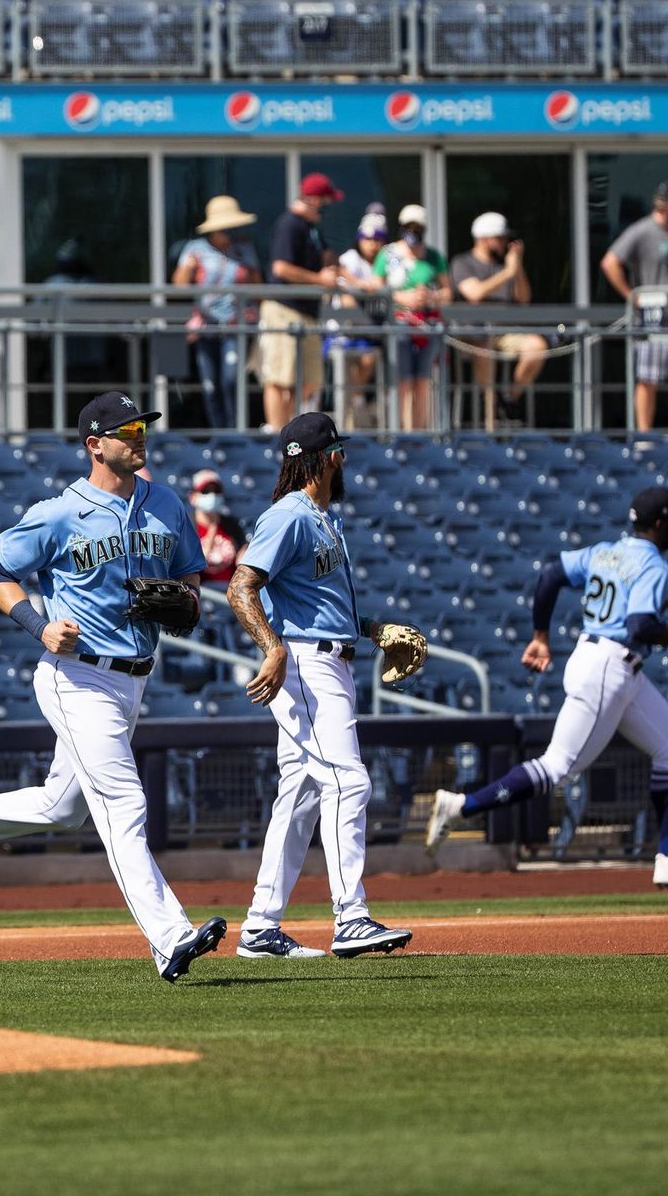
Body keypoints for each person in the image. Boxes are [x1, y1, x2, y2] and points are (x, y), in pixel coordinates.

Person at [0, 392, 230, 984]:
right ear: (94, 444)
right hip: (76, 675)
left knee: (61, 810)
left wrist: (185, 597)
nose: (139, 437)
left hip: (135, 677)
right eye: (126, 430)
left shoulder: (164, 503)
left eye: (142, 428)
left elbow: (190, 573)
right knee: (123, 803)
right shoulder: (59, 512)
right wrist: (38, 625)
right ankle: (170, 937)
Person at [426, 486, 668, 889]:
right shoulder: (654, 565)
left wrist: (540, 634)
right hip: (609, 665)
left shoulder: (604, 551)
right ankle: (461, 806)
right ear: (660, 523)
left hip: (610, 663)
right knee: (557, 768)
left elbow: (551, 575)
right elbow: (640, 626)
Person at [226, 411, 421, 959]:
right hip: (309, 667)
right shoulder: (290, 516)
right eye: (340, 452)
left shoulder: (318, 516)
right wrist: (274, 648)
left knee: (302, 796)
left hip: (327, 657)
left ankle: (261, 929)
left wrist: (375, 630)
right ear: (329, 457)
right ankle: (350, 917)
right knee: (349, 781)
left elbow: (318, 608)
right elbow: (241, 589)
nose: (344, 460)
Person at [600, 180, 668, 432]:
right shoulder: (641, 231)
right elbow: (610, 263)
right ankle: (644, 434)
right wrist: (631, 295)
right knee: (648, 378)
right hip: (653, 317)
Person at [451, 212, 549, 427]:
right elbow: (474, 293)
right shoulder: (462, 263)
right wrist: (507, 273)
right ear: (485, 239)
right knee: (483, 345)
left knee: (537, 347)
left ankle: (508, 402)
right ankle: (490, 419)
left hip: (505, 332)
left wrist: (517, 267)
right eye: (501, 238)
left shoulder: (505, 265)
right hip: (473, 333)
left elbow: (523, 299)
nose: (506, 243)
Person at [173, 196, 262, 432]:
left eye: (232, 227)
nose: (229, 232)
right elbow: (179, 284)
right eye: (225, 228)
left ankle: (235, 431)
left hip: (237, 325)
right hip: (206, 325)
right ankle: (219, 433)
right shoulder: (195, 249)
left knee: (231, 380)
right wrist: (189, 268)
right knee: (210, 384)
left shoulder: (244, 248)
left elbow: (258, 287)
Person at [261, 173, 342, 429]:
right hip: (284, 309)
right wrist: (320, 280)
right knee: (280, 377)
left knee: (309, 380)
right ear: (313, 200)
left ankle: (289, 429)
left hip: (306, 312)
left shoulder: (311, 229)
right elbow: (281, 268)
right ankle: (276, 434)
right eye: (326, 201)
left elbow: (329, 261)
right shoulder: (290, 224)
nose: (328, 208)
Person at [375, 204, 451, 431]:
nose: (413, 231)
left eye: (418, 227)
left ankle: (419, 435)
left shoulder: (433, 256)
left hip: (427, 325)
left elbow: (448, 293)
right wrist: (401, 297)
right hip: (399, 325)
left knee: (422, 381)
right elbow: (375, 290)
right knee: (402, 381)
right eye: (409, 227)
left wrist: (431, 296)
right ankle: (400, 432)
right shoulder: (388, 254)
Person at [329, 204, 388, 432]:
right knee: (358, 359)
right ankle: (352, 409)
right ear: (359, 238)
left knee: (370, 358)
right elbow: (346, 301)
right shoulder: (350, 259)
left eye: (379, 238)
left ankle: (354, 407)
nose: (373, 243)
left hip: (370, 331)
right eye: (368, 237)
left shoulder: (384, 262)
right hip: (344, 330)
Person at [189, 468, 246, 586]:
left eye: (216, 491)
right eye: (205, 491)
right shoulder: (186, 526)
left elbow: (241, 557)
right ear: (193, 497)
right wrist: (211, 533)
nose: (212, 495)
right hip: (202, 593)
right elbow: (191, 566)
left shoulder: (232, 525)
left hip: (229, 593)